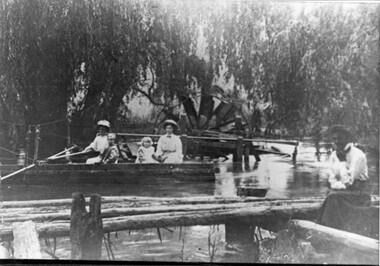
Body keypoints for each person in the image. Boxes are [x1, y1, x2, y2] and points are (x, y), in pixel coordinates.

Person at [317, 125, 372, 235]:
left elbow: (349, 182)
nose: (337, 142)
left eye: (340, 138)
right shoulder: (333, 155)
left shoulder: (358, 156)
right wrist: (340, 186)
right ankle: (325, 229)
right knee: (331, 196)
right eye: (334, 139)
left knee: (332, 197)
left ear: (347, 138)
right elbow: (332, 180)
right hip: (342, 192)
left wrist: (342, 162)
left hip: (359, 194)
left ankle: (330, 232)